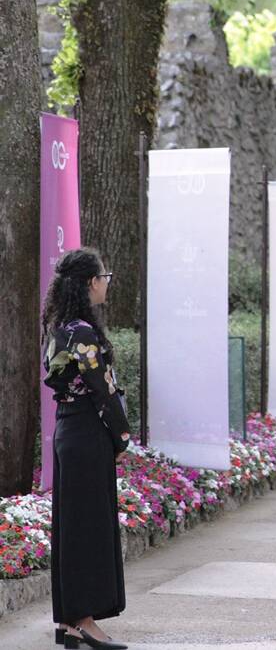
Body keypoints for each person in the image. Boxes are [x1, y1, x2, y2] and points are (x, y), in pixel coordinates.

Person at [42, 248, 130, 650]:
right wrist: (122, 438)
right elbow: (103, 391)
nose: (107, 283)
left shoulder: (61, 327)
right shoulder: (84, 334)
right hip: (88, 436)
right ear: (91, 282)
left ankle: (68, 621)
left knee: (72, 526)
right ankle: (83, 620)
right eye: (104, 276)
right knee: (87, 530)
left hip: (68, 432)